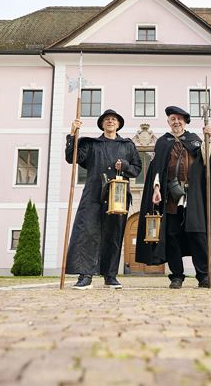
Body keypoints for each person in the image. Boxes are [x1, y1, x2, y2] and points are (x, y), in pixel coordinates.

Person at [136, 106, 211, 289]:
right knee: (172, 236)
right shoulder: (163, 142)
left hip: (193, 196)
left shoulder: (195, 140)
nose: (176, 122)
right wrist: (156, 189)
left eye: (179, 119)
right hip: (170, 196)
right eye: (173, 118)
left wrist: (208, 138)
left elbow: (206, 160)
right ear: (168, 122)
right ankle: (176, 276)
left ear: (185, 122)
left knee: (198, 234)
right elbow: (156, 169)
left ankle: (204, 276)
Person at [65, 109, 142, 290]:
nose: (110, 121)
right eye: (107, 119)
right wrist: (72, 133)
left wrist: (124, 165)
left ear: (118, 124)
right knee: (87, 233)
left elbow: (137, 168)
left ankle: (110, 276)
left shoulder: (127, 145)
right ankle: (85, 276)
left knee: (114, 235)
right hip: (93, 194)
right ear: (102, 124)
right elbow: (72, 157)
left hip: (118, 196)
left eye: (114, 119)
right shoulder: (92, 144)